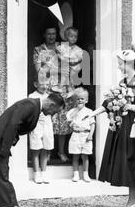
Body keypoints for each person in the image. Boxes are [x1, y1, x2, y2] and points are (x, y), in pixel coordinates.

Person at [88, 49, 135, 207]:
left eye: (120, 62)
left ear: (128, 63)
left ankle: (132, 201)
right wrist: (92, 114)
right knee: (127, 162)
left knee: (131, 162)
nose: (119, 66)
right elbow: (111, 102)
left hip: (134, 129)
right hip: (124, 127)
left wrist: (130, 106)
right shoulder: (124, 81)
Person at [0, 93, 64, 207]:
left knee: (3, 171)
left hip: (1, 139)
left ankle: (11, 204)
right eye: (54, 112)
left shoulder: (35, 106)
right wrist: (5, 147)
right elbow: (13, 124)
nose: (51, 115)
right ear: (52, 105)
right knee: (0, 172)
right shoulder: (30, 105)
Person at [52, 27, 84, 162]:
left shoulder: (78, 51)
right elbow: (53, 66)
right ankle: (48, 151)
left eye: (75, 36)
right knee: (53, 121)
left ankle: (62, 151)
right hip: (56, 87)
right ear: (65, 36)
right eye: (70, 36)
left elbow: (75, 68)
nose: (72, 38)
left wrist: (66, 63)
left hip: (69, 89)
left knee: (66, 122)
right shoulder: (59, 47)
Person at [28, 76, 54, 184]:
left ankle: (44, 173)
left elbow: (53, 110)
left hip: (47, 124)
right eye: (42, 84)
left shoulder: (49, 96)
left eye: (47, 84)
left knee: (45, 149)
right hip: (36, 124)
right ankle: (36, 173)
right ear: (35, 84)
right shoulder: (32, 96)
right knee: (36, 149)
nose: (44, 86)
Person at [66, 87, 95, 183]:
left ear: (86, 100)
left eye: (82, 99)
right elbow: (69, 120)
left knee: (85, 156)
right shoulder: (72, 111)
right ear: (75, 100)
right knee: (75, 155)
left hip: (86, 135)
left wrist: (91, 134)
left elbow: (93, 124)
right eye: (78, 99)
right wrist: (77, 110)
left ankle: (86, 174)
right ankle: (76, 174)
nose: (80, 100)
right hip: (76, 135)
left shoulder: (90, 112)